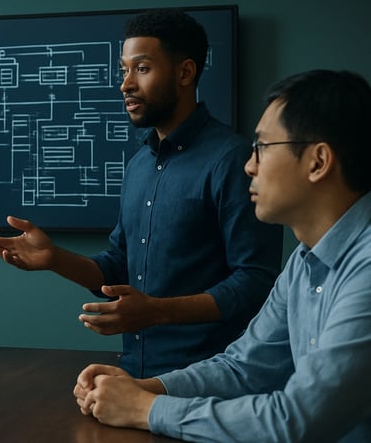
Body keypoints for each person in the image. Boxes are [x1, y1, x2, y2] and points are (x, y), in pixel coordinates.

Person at [74, 69, 371, 442]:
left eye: (263, 147)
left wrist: (144, 409)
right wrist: (144, 389)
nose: (249, 165)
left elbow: (297, 421)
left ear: (318, 161)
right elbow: (242, 368)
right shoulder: (303, 262)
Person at [0, 8, 283, 378]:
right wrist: (55, 259)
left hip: (210, 381)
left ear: (185, 73)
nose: (125, 84)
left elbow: (255, 281)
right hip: (136, 374)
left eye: (141, 68)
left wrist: (157, 311)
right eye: (124, 70)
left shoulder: (233, 160)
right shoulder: (139, 164)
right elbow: (119, 265)